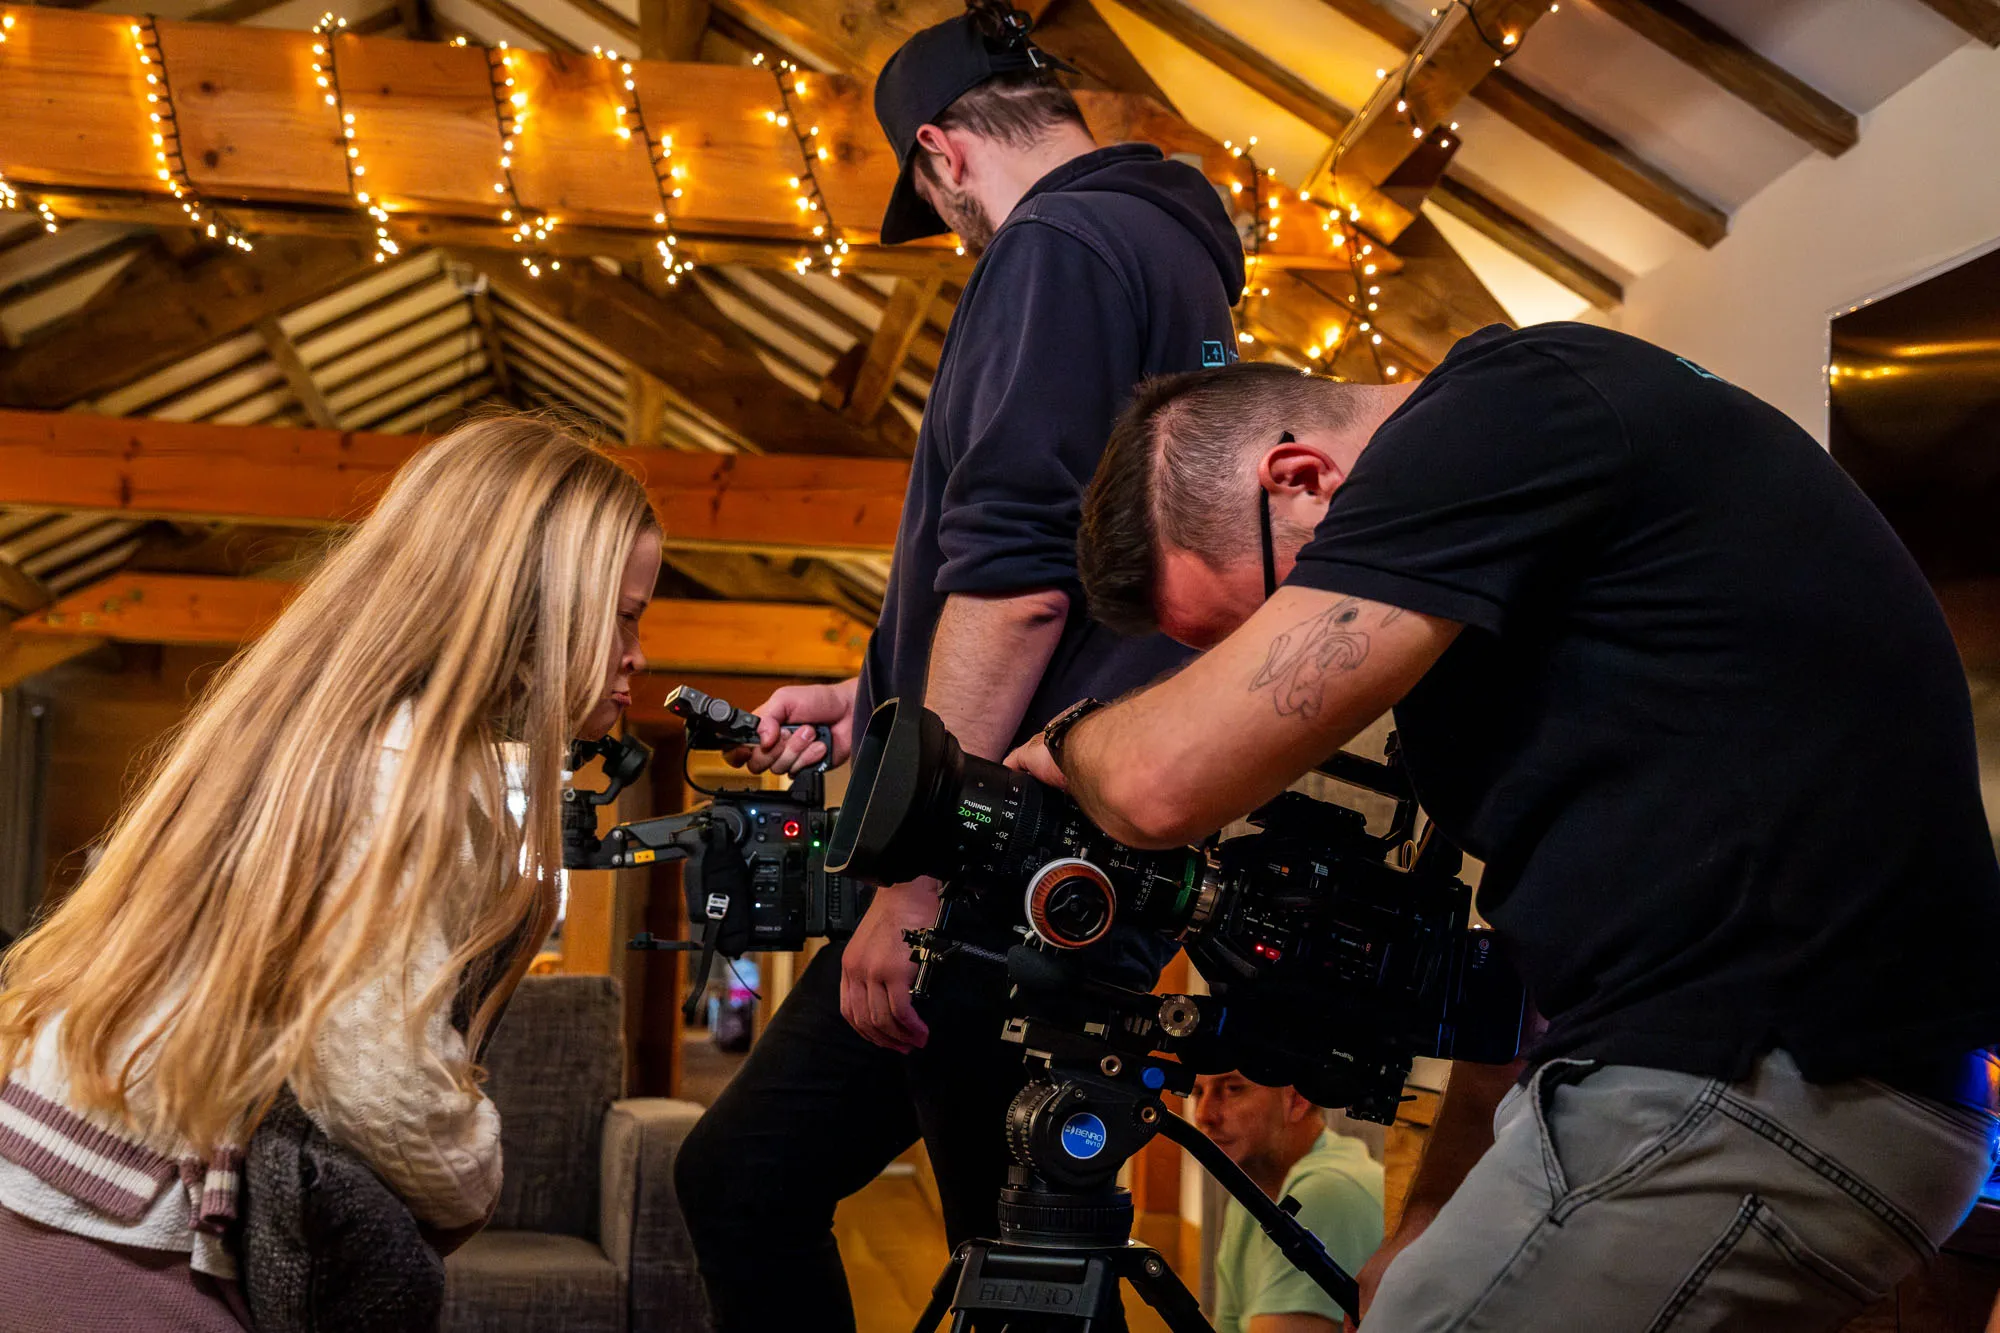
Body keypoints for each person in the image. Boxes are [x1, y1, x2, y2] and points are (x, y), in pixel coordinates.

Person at [1005, 328, 2000, 1330]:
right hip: (1736, 1073)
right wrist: (1430, 1208)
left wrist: (1068, 740)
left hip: (1775, 1071)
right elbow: (1522, 977)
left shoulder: (1503, 409)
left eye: (1258, 624)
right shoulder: (1513, 557)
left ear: (1301, 477)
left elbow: (1159, 783)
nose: (1259, 672)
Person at [670, 3, 1245, 1327]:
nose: (960, 236)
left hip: (995, 869)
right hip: (1077, 844)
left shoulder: (1053, 244)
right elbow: (1096, 589)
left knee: (995, 1265)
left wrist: (918, 870)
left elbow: (1023, 582)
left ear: (939, 151)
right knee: (1014, 1254)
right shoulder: (1176, 256)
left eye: (942, 207)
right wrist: (875, 702)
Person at [0, 417, 660, 1330]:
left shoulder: (346, 729)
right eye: (624, 615)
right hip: (123, 1241)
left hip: (64, 1189)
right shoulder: (407, 771)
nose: (639, 653)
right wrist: (477, 1172)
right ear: (535, 600)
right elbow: (378, 1083)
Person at [1190, 1072, 1383, 1333]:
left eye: (1233, 1089)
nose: (1203, 1116)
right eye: (1197, 1093)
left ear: (1297, 1099)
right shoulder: (1250, 1195)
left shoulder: (1328, 1190)